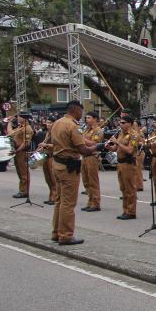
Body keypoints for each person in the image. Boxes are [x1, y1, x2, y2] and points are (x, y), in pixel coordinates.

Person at [47, 100, 97, 245]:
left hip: (57, 164)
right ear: (76, 110)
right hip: (69, 167)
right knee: (68, 204)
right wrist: (96, 147)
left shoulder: (57, 123)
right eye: (82, 111)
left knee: (59, 201)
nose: (82, 115)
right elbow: (82, 149)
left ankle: (56, 232)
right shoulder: (73, 125)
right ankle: (66, 235)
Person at [107, 115, 141, 220]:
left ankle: (131, 212)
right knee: (123, 188)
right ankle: (125, 210)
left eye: (123, 123)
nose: (120, 124)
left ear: (129, 124)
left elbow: (130, 150)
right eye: (120, 123)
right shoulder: (121, 134)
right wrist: (110, 147)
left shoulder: (134, 135)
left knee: (130, 188)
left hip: (128, 164)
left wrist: (117, 142)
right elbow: (116, 148)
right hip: (120, 163)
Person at [80, 112, 104, 212]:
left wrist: (82, 138)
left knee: (93, 181)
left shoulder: (98, 130)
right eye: (86, 118)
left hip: (92, 157)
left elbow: (94, 143)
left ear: (95, 119)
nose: (87, 120)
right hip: (84, 156)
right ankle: (90, 201)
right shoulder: (86, 129)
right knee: (86, 181)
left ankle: (96, 203)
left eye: (89, 118)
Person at [7, 112, 34, 198]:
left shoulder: (28, 129)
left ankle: (24, 191)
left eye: (19, 117)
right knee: (19, 172)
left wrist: (17, 150)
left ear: (24, 118)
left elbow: (26, 143)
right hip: (18, 152)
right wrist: (10, 123)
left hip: (22, 152)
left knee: (23, 172)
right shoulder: (20, 127)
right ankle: (22, 190)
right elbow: (10, 133)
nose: (17, 118)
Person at [38, 117, 59, 205]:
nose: (48, 124)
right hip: (45, 156)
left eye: (50, 122)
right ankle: (51, 194)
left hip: (52, 157)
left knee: (53, 178)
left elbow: (57, 145)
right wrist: (40, 147)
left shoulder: (56, 133)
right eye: (47, 122)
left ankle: (55, 196)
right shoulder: (48, 133)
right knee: (48, 178)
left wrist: (46, 145)